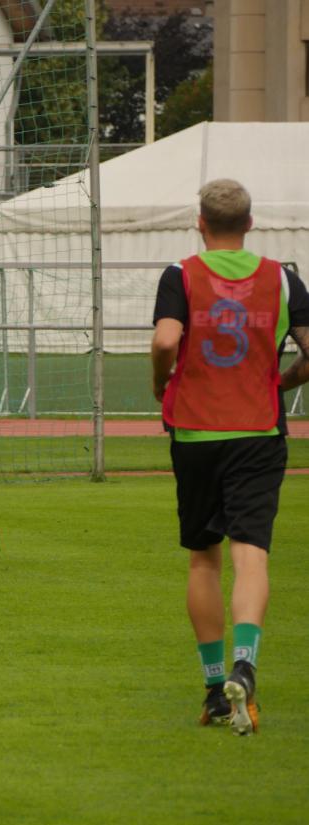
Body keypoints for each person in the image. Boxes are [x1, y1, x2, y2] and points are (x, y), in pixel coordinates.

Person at [151, 178, 309, 735]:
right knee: (252, 556)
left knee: (203, 558)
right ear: (249, 223)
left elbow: (167, 341)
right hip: (259, 432)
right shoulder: (283, 278)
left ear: (200, 223)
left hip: (195, 433)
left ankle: (216, 687)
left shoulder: (180, 275)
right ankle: (247, 662)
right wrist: (281, 382)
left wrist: (160, 382)